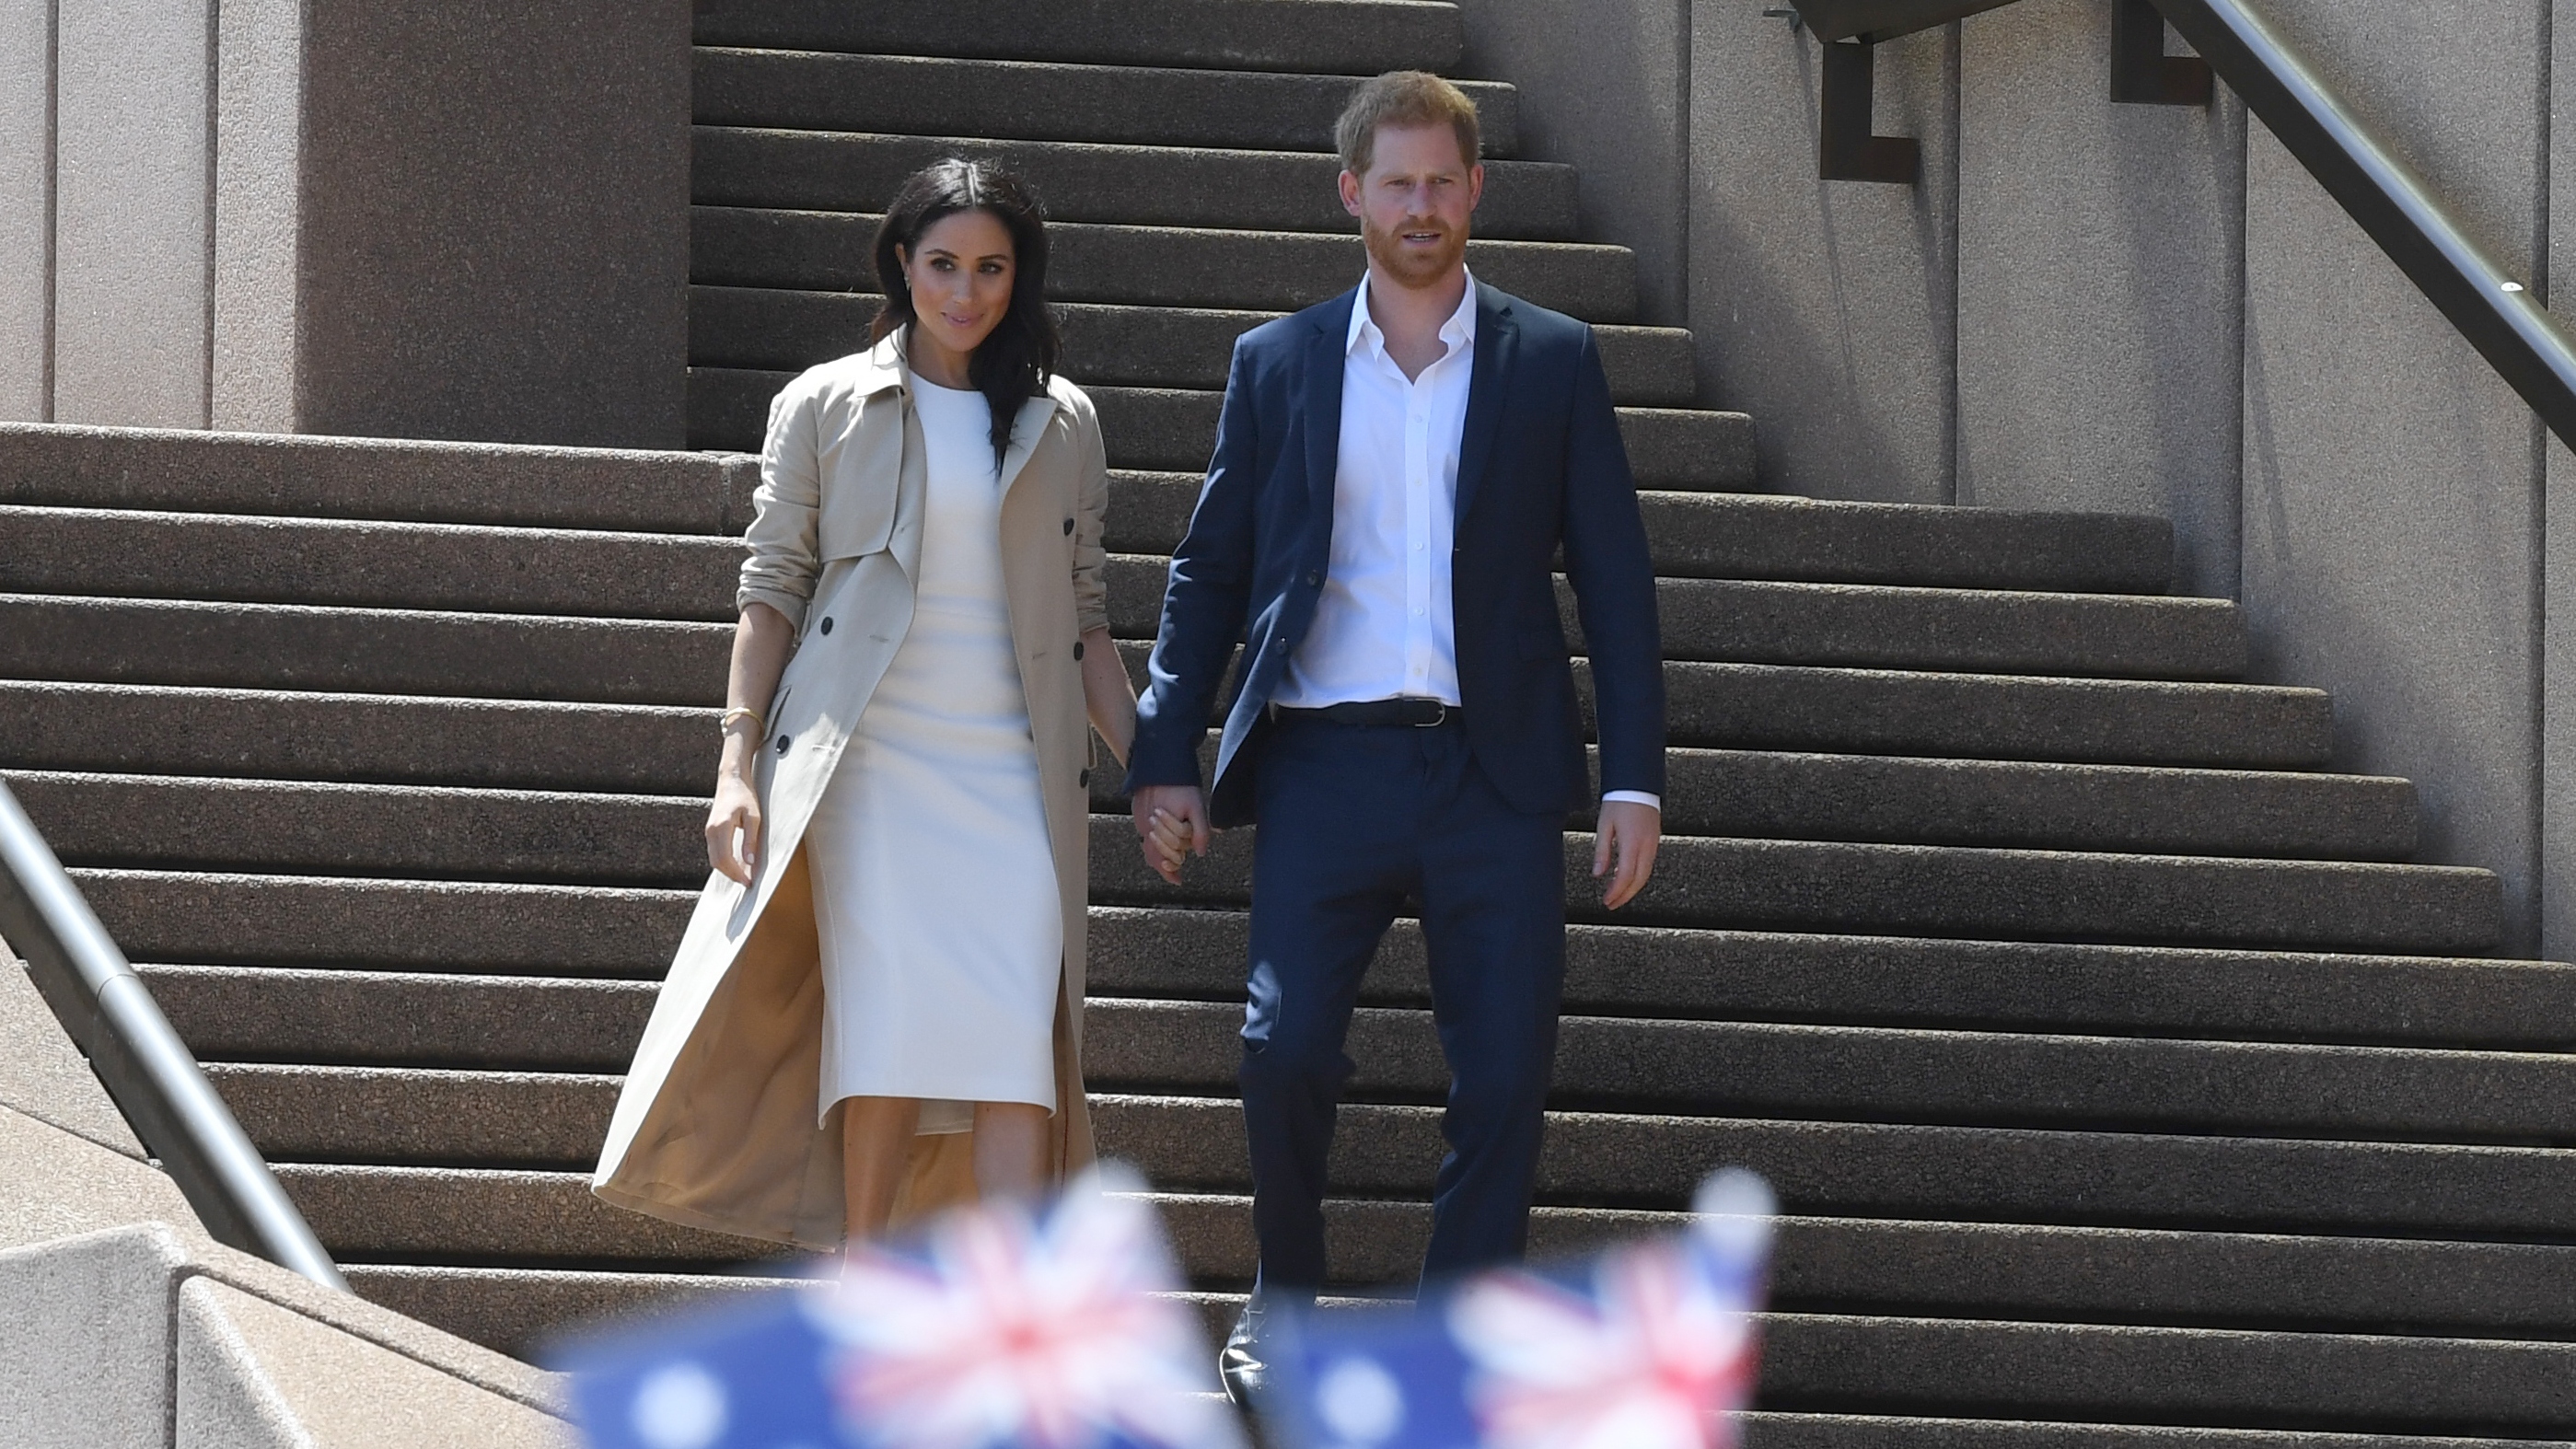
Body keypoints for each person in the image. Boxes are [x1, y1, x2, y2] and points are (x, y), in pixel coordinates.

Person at [1125, 72, 1666, 1401]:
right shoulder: (1281, 363)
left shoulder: (1552, 358)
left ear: (1476, 191)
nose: (1418, 206)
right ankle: (1287, 1293)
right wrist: (1161, 750)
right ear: (1349, 192)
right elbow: (1208, 568)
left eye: (1442, 181)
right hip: (1325, 763)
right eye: (1395, 182)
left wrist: (1635, 777)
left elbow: (1613, 577)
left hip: (1494, 772)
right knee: (1284, 1043)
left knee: (1504, 1072)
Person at [592, 159, 1136, 1252]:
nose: (964, 291)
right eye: (942, 264)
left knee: (1017, 1047)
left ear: (1018, 276)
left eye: (990, 267)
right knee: (884, 1036)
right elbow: (769, 594)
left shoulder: (1063, 421)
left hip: (1014, 776)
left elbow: (1086, 623)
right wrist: (734, 765)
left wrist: (1157, 766)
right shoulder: (822, 403)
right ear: (902, 260)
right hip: (867, 767)